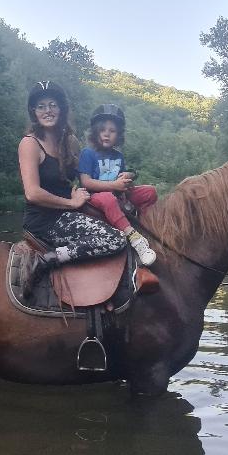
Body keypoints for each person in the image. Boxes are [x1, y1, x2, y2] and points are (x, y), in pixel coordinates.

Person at [18, 81, 128, 297]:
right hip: (45, 220)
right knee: (115, 238)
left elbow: (88, 176)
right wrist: (71, 202)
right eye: (41, 106)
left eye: (53, 105)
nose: (47, 110)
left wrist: (119, 179)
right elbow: (32, 193)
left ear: (61, 109)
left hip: (69, 213)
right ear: (34, 111)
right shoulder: (30, 144)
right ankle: (49, 258)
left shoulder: (70, 142)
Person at [78, 104, 158, 266]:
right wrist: (114, 185)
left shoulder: (118, 156)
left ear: (118, 135)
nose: (107, 134)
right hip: (96, 197)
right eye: (102, 130)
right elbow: (86, 182)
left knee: (150, 191)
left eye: (112, 131)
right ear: (95, 132)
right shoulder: (88, 153)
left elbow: (122, 181)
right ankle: (135, 238)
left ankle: (144, 227)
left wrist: (128, 176)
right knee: (108, 198)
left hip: (118, 194)